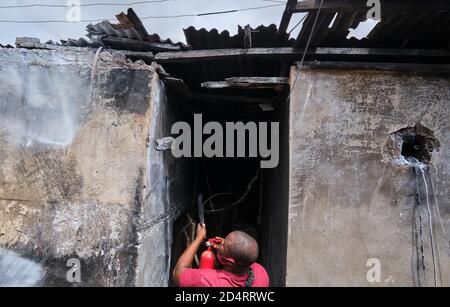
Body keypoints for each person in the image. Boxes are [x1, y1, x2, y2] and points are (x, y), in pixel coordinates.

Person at [173, 224, 269, 287]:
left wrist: (199, 238)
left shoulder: (210, 280)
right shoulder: (260, 271)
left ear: (229, 261)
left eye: (223, 244)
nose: (221, 242)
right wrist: (227, 248)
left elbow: (177, 273)